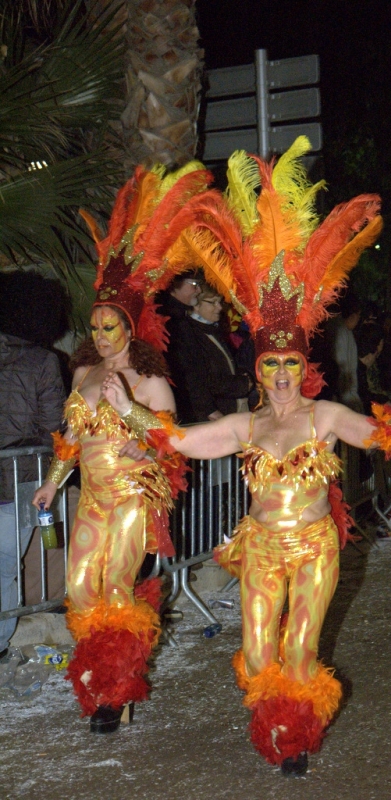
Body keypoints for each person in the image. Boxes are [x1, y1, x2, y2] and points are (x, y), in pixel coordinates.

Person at [103, 138, 391, 774]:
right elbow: (179, 439)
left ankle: (293, 736)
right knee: (259, 652)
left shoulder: (323, 418)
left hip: (315, 544)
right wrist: (129, 413)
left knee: (299, 647)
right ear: (260, 370)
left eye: (292, 363)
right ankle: (272, 713)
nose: (284, 374)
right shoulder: (245, 425)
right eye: (273, 366)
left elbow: (375, 435)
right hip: (260, 545)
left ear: (303, 366)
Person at [31, 162, 210, 733]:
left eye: (113, 327)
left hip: (132, 499)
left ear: (131, 326)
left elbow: (172, 445)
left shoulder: (149, 378)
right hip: (90, 496)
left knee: (116, 588)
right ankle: (100, 678)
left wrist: (135, 423)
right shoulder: (83, 373)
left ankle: (116, 692)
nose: (104, 336)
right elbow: (72, 438)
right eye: (97, 326)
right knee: (82, 592)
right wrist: (52, 481)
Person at [0, 271, 67, 660]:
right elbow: (52, 428)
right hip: (19, 480)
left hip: (16, 476)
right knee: (5, 566)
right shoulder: (43, 361)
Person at [177, 283, 254, 422]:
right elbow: (204, 380)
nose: (219, 307)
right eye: (213, 303)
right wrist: (242, 383)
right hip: (217, 417)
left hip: (231, 412)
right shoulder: (191, 335)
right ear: (195, 304)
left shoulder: (212, 330)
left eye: (219, 302)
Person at [156, 270, 203, 422]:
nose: (199, 290)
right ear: (174, 286)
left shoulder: (178, 316)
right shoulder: (171, 321)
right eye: (194, 285)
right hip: (181, 407)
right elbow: (187, 370)